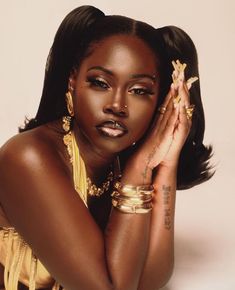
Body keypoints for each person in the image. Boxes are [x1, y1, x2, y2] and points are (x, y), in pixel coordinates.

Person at [0, 5, 213, 290]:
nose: (117, 105)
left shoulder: (121, 161)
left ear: (160, 103)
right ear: (73, 80)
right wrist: (139, 169)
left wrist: (166, 163)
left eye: (139, 91)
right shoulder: (28, 158)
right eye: (100, 83)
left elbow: (151, 278)